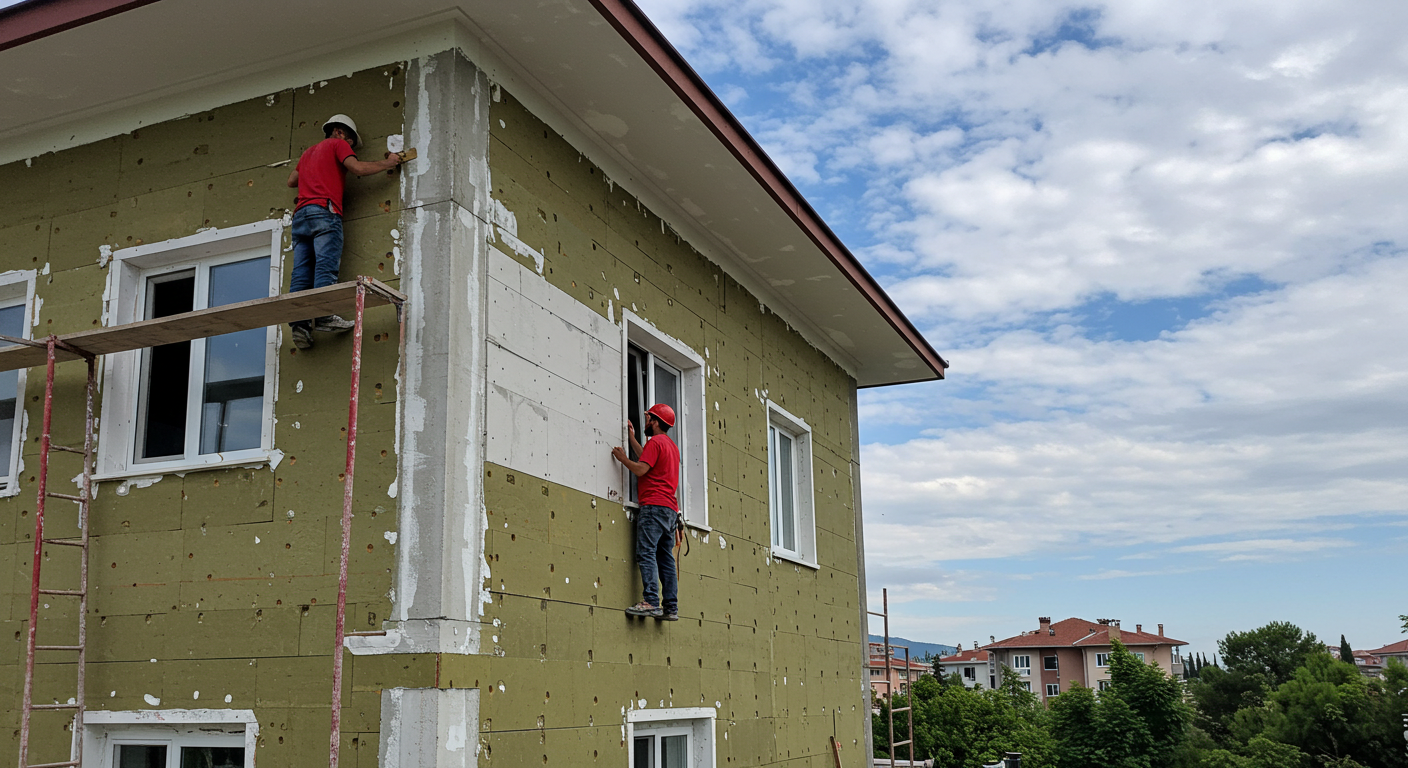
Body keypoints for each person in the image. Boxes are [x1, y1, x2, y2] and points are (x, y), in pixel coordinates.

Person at [284, 114, 402, 350]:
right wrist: (389, 163)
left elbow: (292, 181)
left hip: (301, 216)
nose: (349, 146)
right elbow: (356, 167)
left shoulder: (308, 153)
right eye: (349, 140)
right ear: (339, 132)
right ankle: (325, 316)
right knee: (325, 265)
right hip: (324, 211)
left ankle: (300, 325)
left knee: (301, 271)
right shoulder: (337, 144)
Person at [611, 403, 680, 620]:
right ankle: (670, 607)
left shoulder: (656, 441)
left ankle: (650, 601)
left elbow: (642, 468)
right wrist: (632, 439)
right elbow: (647, 459)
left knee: (646, 552)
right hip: (670, 510)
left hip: (653, 507)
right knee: (665, 558)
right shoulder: (670, 446)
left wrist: (622, 459)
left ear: (655, 422)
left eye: (648, 418)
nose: (646, 422)